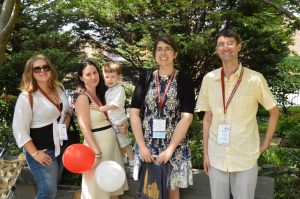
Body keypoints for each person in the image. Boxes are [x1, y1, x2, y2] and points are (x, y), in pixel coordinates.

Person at [196, 29, 280, 199]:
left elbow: (274, 112)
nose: (225, 47)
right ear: (217, 49)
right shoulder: (209, 79)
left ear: (238, 47)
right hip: (216, 157)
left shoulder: (255, 79)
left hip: (245, 158)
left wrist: (264, 145)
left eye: (229, 43)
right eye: (221, 44)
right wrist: (206, 153)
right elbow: (207, 118)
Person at [130, 35, 195, 198]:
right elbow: (134, 113)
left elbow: (186, 117)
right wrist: (142, 146)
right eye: (159, 49)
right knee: (148, 192)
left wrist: (170, 150)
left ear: (175, 54)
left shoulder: (184, 80)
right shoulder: (145, 78)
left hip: (174, 148)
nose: (163, 53)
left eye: (168, 49)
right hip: (147, 147)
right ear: (154, 54)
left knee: (172, 190)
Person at [12, 54, 71, 199]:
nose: (42, 71)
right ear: (30, 73)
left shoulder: (58, 88)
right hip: (42, 151)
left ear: (51, 69)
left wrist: (65, 120)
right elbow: (19, 129)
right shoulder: (27, 97)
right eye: (37, 69)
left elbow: (66, 111)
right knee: (47, 192)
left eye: (45, 67)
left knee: (51, 190)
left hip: (59, 147)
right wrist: (34, 153)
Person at [75, 59, 128, 199]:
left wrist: (124, 126)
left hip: (111, 146)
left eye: (95, 72)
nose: (93, 77)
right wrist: (96, 152)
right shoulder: (82, 98)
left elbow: (115, 114)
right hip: (96, 149)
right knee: (96, 190)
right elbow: (84, 127)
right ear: (81, 77)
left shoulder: (103, 95)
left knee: (112, 189)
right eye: (88, 74)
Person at [90, 61, 135, 171]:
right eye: (107, 77)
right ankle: (124, 160)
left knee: (124, 143)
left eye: (113, 77)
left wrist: (100, 109)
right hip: (113, 121)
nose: (110, 80)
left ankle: (133, 162)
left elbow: (114, 105)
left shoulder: (119, 89)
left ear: (119, 77)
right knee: (118, 142)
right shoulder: (109, 90)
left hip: (119, 121)